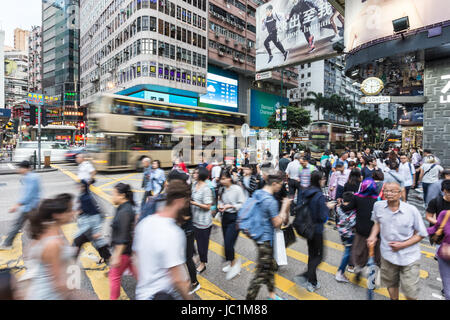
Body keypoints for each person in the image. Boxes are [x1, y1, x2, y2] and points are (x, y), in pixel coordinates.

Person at [368, 182, 428, 300]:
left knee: (410, 292)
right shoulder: (378, 206)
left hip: (409, 257)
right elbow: (377, 222)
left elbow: (422, 234)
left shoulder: (411, 210)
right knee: (391, 283)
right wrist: (373, 235)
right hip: (387, 254)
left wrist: (402, 245)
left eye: (392, 191)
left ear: (400, 194)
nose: (389, 194)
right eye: (386, 191)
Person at [133, 180, 192, 300]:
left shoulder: (145, 223)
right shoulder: (173, 233)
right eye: (186, 202)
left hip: (141, 294)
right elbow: (178, 280)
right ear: (179, 201)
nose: (186, 206)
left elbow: (135, 258)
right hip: (160, 295)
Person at [246, 170, 291, 300]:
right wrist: (284, 207)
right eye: (280, 185)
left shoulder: (258, 193)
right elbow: (277, 223)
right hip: (265, 239)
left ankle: (271, 295)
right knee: (260, 274)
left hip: (257, 233)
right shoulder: (270, 200)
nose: (280, 188)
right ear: (275, 184)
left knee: (270, 267)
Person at [26, 194, 77, 299]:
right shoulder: (53, 242)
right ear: (57, 215)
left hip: (40, 292)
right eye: (69, 210)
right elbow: (58, 283)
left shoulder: (45, 231)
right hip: (48, 296)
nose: (73, 213)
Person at [294, 171, 336, 292]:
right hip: (316, 230)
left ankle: (312, 282)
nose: (324, 180)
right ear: (318, 180)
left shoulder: (307, 191)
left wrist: (323, 206)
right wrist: (327, 207)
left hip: (307, 228)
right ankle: (305, 276)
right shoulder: (319, 195)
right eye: (323, 178)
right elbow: (322, 217)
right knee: (319, 256)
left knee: (312, 255)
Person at [340, 179, 381, 281]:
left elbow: (347, 208)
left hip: (361, 231)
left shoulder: (357, 197)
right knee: (375, 256)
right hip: (375, 233)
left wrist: (340, 203)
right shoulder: (378, 200)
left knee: (359, 252)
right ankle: (372, 278)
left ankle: (358, 269)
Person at [1, 161, 41, 250]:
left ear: (25, 168)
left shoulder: (31, 178)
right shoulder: (29, 176)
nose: (18, 170)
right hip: (31, 206)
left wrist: (17, 204)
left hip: (29, 207)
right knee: (34, 226)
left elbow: (29, 194)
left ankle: (7, 244)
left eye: (20, 168)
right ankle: (42, 243)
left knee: (18, 225)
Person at [109, 183, 138, 300]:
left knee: (114, 276)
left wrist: (116, 255)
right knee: (138, 274)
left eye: (114, 194)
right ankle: (151, 288)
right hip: (127, 250)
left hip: (122, 252)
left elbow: (123, 235)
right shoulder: (124, 208)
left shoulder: (124, 212)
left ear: (122, 196)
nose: (112, 197)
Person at [72, 180, 111, 265]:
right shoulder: (81, 196)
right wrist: (78, 212)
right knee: (98, 245)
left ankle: (71, 264)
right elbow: (80, 210)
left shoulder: (91, 197)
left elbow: (102, 212)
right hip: (86, 227)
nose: (79, 188)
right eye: (79, 186)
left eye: (81, 186)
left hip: (91, 228)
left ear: (85, 186)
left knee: (79, 242)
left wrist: (99, 231)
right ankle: (108, 260)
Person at [218, 170, 247, 280]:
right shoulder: (222, 189)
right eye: (221, 179)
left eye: (224, 178)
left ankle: (235, 266)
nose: (222, 181)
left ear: (229, 178)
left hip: (236, 218)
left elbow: (242, 204)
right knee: (227, 242)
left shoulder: (237, 189)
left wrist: (230, 206)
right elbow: (220, 201)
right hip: (225, 217)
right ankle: (232, 264)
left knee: (228, 243)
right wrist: (221, 206)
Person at [191, 167, 214, 274]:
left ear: (201, 175)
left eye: (196, 173)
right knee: (190, 242)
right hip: (194, 219)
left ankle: (203, 264)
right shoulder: (193, 185)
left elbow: (208, 206)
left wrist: (195, 203)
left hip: (204, 223)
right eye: (194, 172)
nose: (194, 174)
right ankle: (196, 257)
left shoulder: (206, 189)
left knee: (202, 245)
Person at [427, 208, 450, 300]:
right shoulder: (446, 214)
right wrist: (417, 232)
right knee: (448, 293)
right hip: (445, 258)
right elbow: (435, 229)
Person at [335, 192, 357, 283]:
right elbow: (353, 223)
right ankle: (340, 272)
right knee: (348, 252)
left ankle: (349, 265)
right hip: (349, 234)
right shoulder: (353, 211)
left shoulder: (339, 208)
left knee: (348, 251)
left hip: (341, 233)